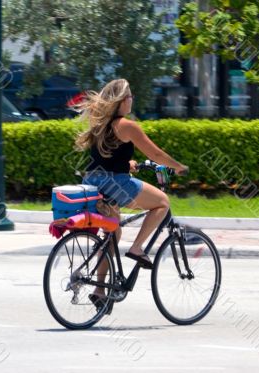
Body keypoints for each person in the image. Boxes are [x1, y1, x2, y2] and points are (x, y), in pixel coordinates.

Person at [75, 79, 188, 306]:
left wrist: (128, 163)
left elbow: (107, 158)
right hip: (115, 184)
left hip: (93, 182)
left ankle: (99, 290)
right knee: (162, 203)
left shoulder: (101, 124)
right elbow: (155, 154)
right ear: (121, 101)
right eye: (129, 97)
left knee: (112, 233)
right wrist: (178, 166)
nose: (132, 100)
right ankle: (137, 248)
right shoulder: (127, 126)